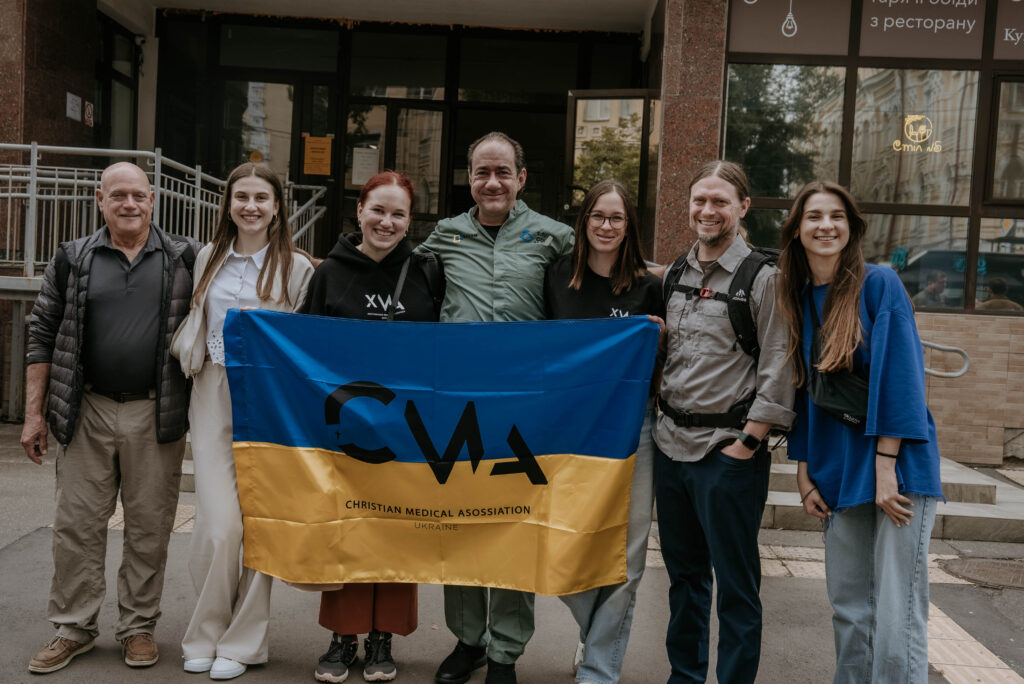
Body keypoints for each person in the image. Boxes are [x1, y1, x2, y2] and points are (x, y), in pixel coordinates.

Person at [22, 162, 199, 674]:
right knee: (76, 525)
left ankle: (138, 627)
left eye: (138, 196)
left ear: (152, 201)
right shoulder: (73, 257)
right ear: (100, 199)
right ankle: (73, 627)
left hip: (155, 410)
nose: (128, 204)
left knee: (149, 526)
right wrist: (34, 415)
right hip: (87, 409)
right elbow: (42, 333)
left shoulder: (184, 256)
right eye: (118, 195)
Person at [418, 131, 574, 684]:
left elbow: (612, 269)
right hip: (456, 407)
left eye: (503, 172)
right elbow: (386, 267)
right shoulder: (444, 235)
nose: (492, 183)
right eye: (482, 172)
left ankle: (506, 651)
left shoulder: (554, 237)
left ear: (521, 178)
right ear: (469, 177)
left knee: (513, 528)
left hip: (523, 410)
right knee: (459, 524)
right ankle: (467, 640)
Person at [776, 181, 943, 683]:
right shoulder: (799, 297)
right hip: (838, 472)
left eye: (836, 217)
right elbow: (808, 392)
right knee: (850, 609)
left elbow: (901, 379)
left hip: (896, 472)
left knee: (897, 612)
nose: (825, 225)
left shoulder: (880, 284)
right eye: (814, 217)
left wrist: (885, 467)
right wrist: (804, 472)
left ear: (851, 228)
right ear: (797, 230)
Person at [170, 162, 314, 680]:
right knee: (217, 525)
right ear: (228, 204)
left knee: (258, 526)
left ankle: (245, 641)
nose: (250, 206)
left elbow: (306, 347)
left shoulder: (297, 269)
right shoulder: (207, 257)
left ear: (278, 206)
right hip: (212, 393)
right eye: (241, 197)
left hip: (270, 404)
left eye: (261, 198)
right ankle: (205, 631)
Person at [299, 170, 444, 683]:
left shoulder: (428, 272)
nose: (387, 221)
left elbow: (443, 351)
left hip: (407, 432)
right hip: (345, 432)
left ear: (409, 221)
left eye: (398, 213)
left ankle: (383, 636)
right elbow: (302, 350)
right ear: (359, 211)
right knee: (348, 532)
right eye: (378, 210)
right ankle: (343, 637)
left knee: (396, 532)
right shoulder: (329, 275)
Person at [653, 160, 795, 684]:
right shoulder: (673, 273)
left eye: (719, 201)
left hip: (726, 453)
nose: (707, 211)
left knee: (736, 586)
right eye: (699, 201)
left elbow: (780, 362)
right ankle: (684, 677)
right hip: (670, 447)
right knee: (684, 580)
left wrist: (748, 443)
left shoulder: (762, 276)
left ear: (742, 207)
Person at [543, 179, 664, 684]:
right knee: (560, 547)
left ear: (629, 226)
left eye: (617, 218)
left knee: (626, 555)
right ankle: (597, 635)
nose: (607, 227)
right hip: (569, 434)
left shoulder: (648, 286)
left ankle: (598, 668)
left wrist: (657, 338)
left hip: (633, 430)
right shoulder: (555, 279)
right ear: (584, 222)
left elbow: (662, 365)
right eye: (598, 217)